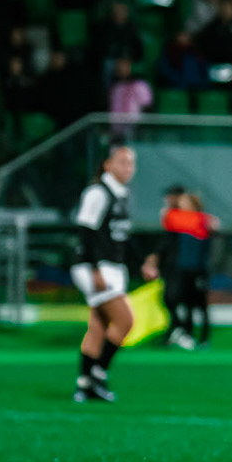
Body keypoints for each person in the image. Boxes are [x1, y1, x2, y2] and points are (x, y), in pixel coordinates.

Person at [71, 146, 159, 403]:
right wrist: (94, 269)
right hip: (95, 267)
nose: (127, 168)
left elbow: (123, 236)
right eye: (121, 162)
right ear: (107, 165)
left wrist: (142, 262)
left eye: (131, 163)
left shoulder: (121, 194)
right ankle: (99, 374)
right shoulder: (98, 192)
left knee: (98, 327)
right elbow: (85, 232)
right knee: (125, 321)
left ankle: (84, 383)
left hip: (112, 267)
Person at [160, 186, 217, 349]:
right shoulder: (178, 221)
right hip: (183, 269)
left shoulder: (202, 222)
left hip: (198, 270)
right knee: (187, 304)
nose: (181, 205)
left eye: (185, 202)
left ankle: (205, 337)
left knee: (201, 304)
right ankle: (188, 334)